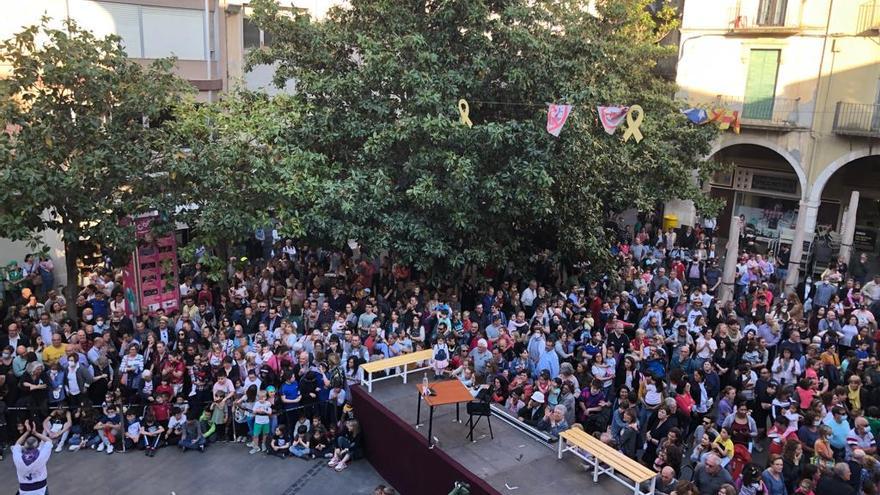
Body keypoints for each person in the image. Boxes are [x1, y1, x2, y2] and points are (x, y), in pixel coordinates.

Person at [12, 420, 52, 495]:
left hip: (24, 491)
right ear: (37, 447)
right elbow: (49, 441)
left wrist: (27, 432)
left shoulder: (18, 457)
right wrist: (35, 433)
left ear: (24, 447)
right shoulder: (41, 455)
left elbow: (17, 445)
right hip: (41, 490)